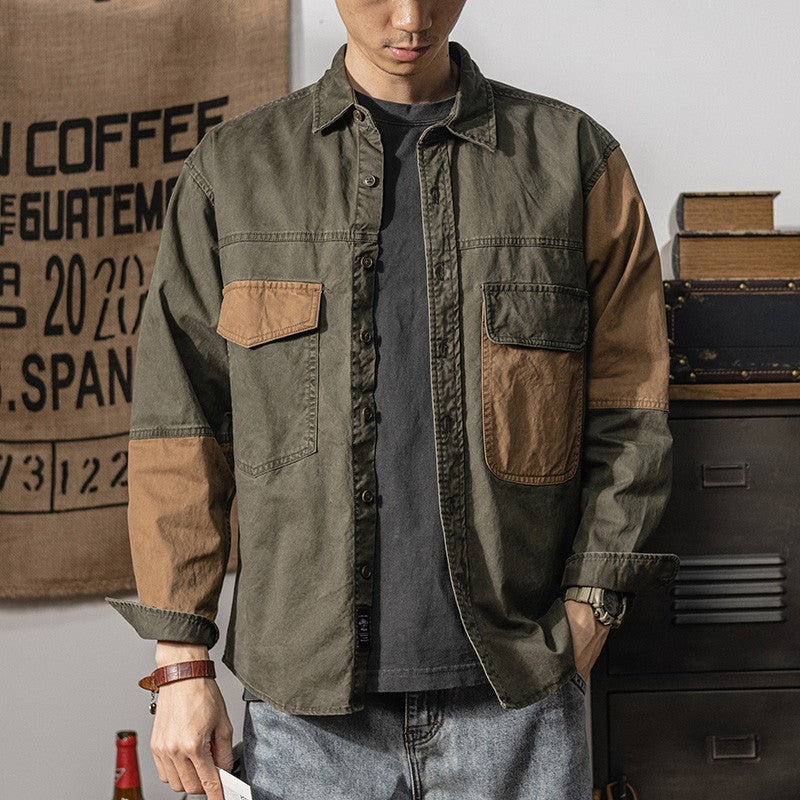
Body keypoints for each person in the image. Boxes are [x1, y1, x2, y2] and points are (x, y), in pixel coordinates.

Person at [108, 1, 680, 798]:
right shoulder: (234, 172)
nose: (411, 17)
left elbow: (632, 404)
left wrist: (593, 602)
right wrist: (180, 662)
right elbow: (180, 426)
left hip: (516, 699)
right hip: (307, 721)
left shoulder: (573, 159)